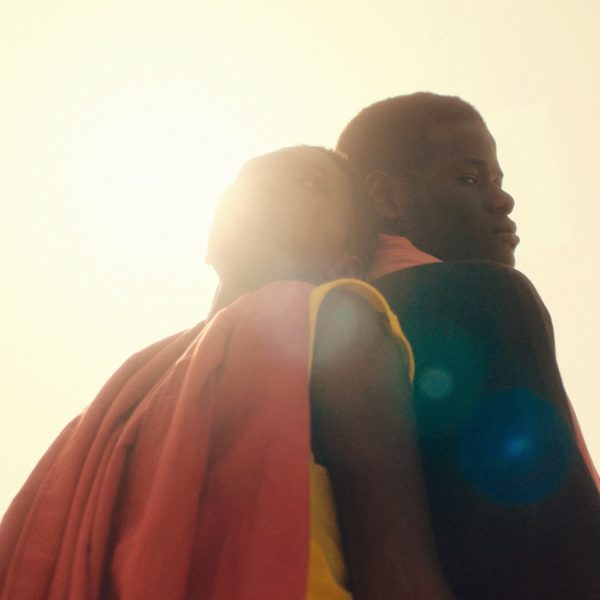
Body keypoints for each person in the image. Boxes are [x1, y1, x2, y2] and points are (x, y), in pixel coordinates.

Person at [0, 146, 453, 599]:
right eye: (246, 179)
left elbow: (397, 566)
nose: (263, 187)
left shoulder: (335, 323)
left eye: (309, 183)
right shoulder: (130, 386)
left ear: (343, 264)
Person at [337, 92, 600, 599]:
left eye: (497, 180)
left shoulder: (332, 319)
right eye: (469, 179)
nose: (503, 201)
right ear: (387, 197)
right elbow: (541, 514)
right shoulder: (481, 294)